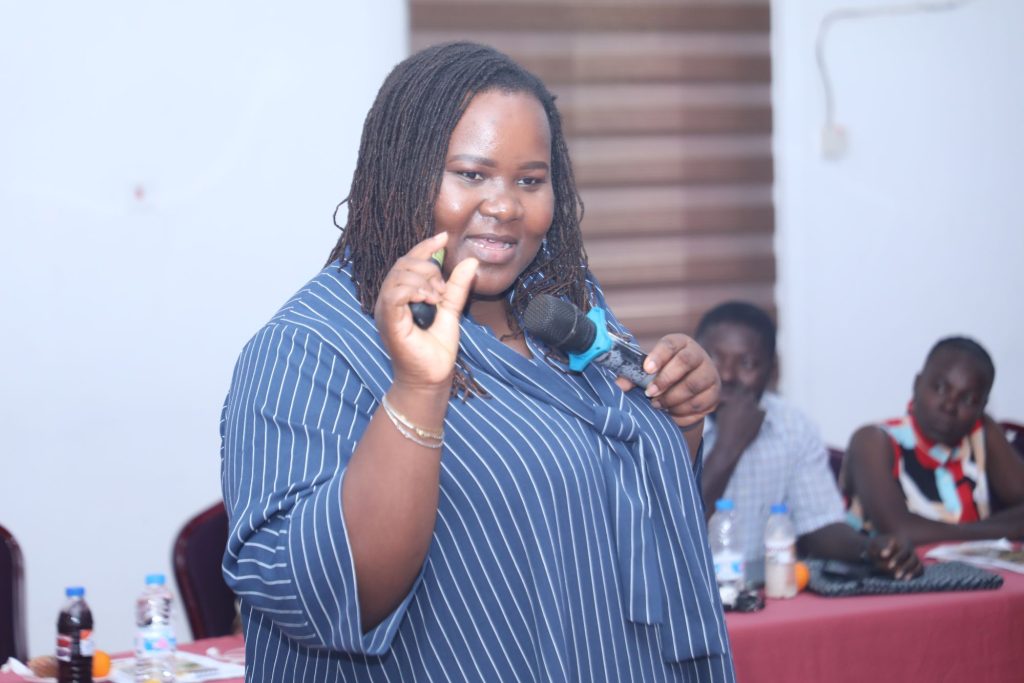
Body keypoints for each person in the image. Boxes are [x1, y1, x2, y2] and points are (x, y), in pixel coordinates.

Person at [220, 42, 736, 682]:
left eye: (530, 180)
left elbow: (618, 504)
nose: (506, 206)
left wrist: (679, 421)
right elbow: (325, 598)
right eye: (471, 174)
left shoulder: (559, 302)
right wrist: (418, 389)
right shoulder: (308, 348)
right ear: (400, 176)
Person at [695, 302, 921, 580]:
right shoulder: (664, 425)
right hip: (682, 593)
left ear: (773, 371)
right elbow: (670, 531)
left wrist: (868, 548)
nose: (727, 375)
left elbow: (818, 527)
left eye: (747, 364)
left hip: (768, 590)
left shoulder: (793, 427)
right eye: (714, 359)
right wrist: (728, 447)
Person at [845, 336, 1024, 544]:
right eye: (939, 388)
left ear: (981, 408)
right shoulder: (872, 441)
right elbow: (900, 532)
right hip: (884, 566)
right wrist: (1001, 529)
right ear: (917, 384)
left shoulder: (981, 431)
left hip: (973, 565)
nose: (949, 406)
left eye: (968, 400)